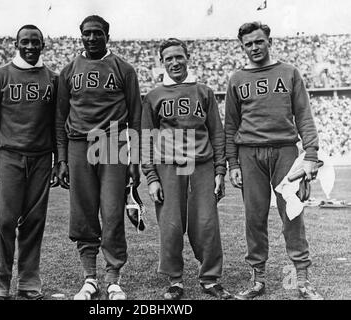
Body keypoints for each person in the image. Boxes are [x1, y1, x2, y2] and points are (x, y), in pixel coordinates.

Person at [224, 21, 323, 300]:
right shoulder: (236, 78)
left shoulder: (289, 72)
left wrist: (311, 155)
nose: (254, 48)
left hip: (285, 152)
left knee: (292, 214)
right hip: (249, 154)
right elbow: (230, 124)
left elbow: (304, 115)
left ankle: (301, 280)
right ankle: (258, 280)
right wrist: (232, 163)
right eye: (248, 44)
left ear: (269, 41)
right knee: (254, 218)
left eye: (258, 41)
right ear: (242, 47)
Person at [55, 15, 142, 300]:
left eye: (97, 33)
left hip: (113, 142)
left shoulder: (123, 69)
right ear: (80, 36)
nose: (92, 38)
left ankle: (114, 278)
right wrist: (63, 159)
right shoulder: (68, 72)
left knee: (113, 212)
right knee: (82, 214)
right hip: (79, 144)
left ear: (107, 35)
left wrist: (135, 158)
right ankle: (89, 278)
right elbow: (60, 118)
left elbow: (136, 116)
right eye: (87, 34)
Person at [141, 38, 231, 300]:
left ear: (187, 57)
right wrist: (151, 177)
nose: (174, 62)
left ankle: (210, 278)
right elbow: (146, 137)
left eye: (178, 57)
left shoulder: (204, 92)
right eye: (168, 58)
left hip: (201, 166)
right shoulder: (154, 96)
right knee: (170, 225)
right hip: (168, 167)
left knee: (206, 225)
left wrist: (220, 171)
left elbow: (217, 133)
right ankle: (175, 281)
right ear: (162, 62)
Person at [0, 24, 58, 300]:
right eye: (25, 41)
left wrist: (59, 160)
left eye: (36, 41)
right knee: (3, 224)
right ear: (16, 43)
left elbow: (57, 125)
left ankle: (28, 283)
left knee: (34, 222)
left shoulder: (53, 79)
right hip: (9, 157)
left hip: (41, 159)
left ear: (43, 45)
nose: (30, 46)